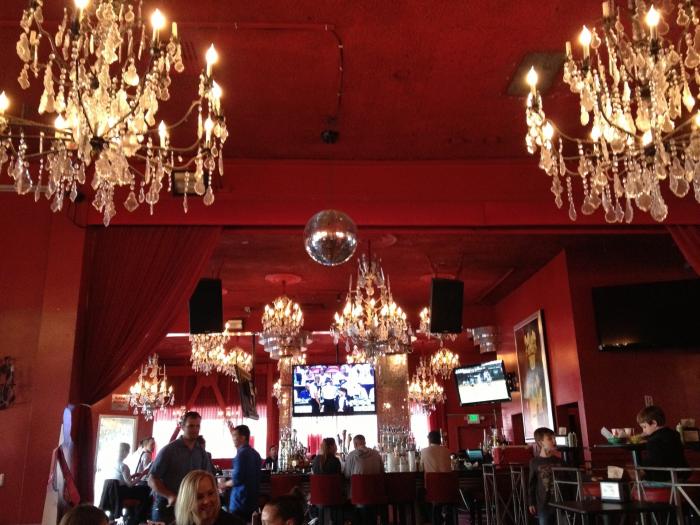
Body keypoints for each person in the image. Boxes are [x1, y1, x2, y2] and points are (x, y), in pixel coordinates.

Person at [149, 411, 214, 523]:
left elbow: (207, 477)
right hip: (168, 507)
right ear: (183, 427)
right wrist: (169, 496)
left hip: (192, 507)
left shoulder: (201, 452)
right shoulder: (169, 450)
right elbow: (152, 479)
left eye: (197, 426)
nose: (195, 429)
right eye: (191, 426)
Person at [219, 424, 262, 522]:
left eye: (235, 435)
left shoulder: (241, 455)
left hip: (240, 502)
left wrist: (223, 484)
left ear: (243, 437)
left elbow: (237, 479)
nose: (233, 439)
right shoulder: (256, 454)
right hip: (253, 502)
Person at [637, 405, 689, 482]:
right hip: (681, 475)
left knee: (637, 477)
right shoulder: (674, 434)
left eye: (644, 427)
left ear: (654, 423)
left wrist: (641, 469)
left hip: (665, 478)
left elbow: (652, 463)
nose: (643, 430)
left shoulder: (653, 441)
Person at [174, 470, 243, 525]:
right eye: (199, 497)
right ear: (187, 501)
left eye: (210, 493)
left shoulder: (234, 523)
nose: (206, 501)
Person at [527, 427, 561, 525]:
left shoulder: (559, 461)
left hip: (561, 503)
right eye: (550, 439)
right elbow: (532, 484)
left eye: (554, 438)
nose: (554, 441)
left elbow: (571, 477)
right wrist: (531, 502)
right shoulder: (534, 462)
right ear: (541, 442)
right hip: (544, 505)